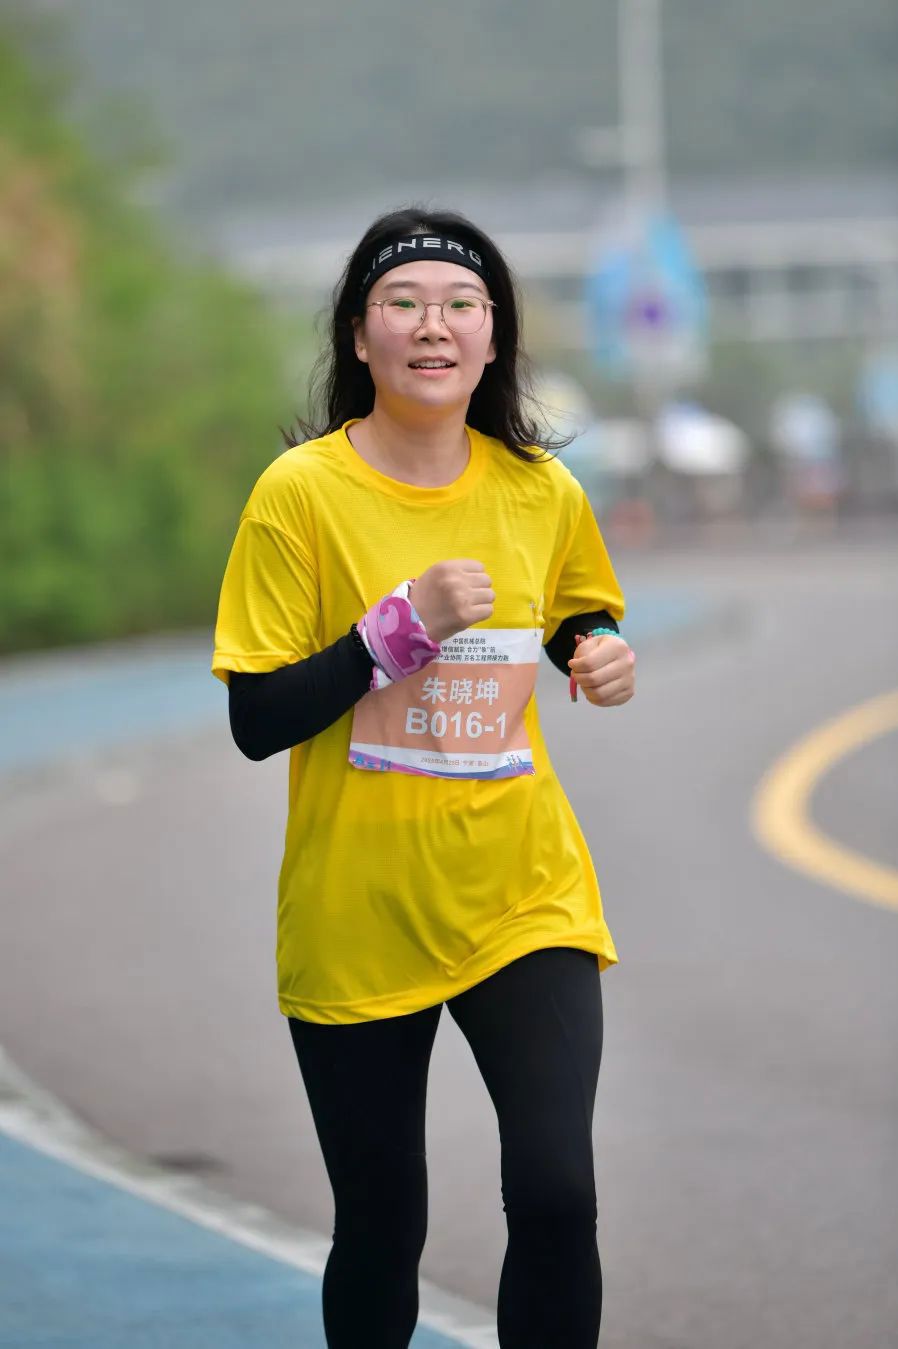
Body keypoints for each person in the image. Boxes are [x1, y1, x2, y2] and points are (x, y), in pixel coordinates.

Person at [211, 205, 636, 1348]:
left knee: (557, 1194)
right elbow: (256, 716)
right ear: (361, 337)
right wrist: (393, 631)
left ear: (493, 338)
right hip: (358, 906)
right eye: (402, 304)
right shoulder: (299, 493)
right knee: (380, 1222)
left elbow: (573, 605)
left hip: (523, 891)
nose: (432, 325)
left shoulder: (540, 489)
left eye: (460, 305)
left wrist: (596, 647)